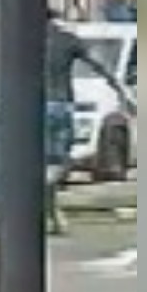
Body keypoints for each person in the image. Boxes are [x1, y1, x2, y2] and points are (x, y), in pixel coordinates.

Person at [46, 13, 136, 234]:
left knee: (38, 161)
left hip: (28, 108)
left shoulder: (22, 40)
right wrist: (123, 92)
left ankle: (51, 210)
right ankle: (50, 196)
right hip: (60, 104)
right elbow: (100, 66)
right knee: (62, 159)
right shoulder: (66, 39)